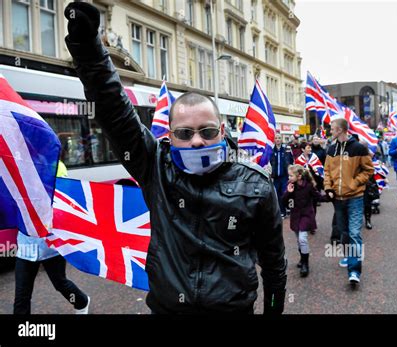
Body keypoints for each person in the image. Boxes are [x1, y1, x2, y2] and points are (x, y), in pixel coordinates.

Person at [64, 2, 286, 314]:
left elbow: (275, 266)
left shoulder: (256, 184)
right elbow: (114, 110)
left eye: (206, 131)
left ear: (222, 131)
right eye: (184, 133)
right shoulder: (155, 165)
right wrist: (89, 50)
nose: (196, 141)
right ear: (169, 137)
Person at [14, 157, 90, 314]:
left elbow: (63, 198)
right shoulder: (16, 162)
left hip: (51, 243)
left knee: (60, 283)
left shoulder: (54, 163)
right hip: (26, 245)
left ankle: (81, 301)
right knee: (22, 294)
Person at [324, 118, 374, 285]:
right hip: (337, 199)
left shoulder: (359, 148)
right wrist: (328, 188)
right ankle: (349, 256)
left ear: (340, 130)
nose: (330, 131)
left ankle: (354, 271)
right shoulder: (331, 149)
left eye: (332, 128)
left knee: (354, 233)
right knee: (344, 232)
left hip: (355, 198)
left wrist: (353, 183)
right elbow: (327, 172)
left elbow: (368, 170)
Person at [282, 165, 328, 277]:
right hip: (295, 216)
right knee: (299, 240)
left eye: (291, 175)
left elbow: (318, 196)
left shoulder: (308, 186)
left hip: (306, 215)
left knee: (303, 239)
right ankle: (302, 258)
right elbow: (283, 201)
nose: (289, 177)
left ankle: (305, 264)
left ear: (298, 176)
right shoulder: (291, 185)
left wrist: (330, 197)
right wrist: (288, 192)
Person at [270, 133, 294, 218]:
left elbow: (291, 161)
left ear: (281, 139)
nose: (277, 139)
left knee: (285, 193)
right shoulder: (271, 150)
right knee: (277, 194)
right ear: (274, 140)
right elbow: (269, 163)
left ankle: (288, 207)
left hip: (285, 176)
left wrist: (290, 174)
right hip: (276, 177)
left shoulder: (287, 150)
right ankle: (282, 211)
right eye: (276, 138)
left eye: (279, 138)